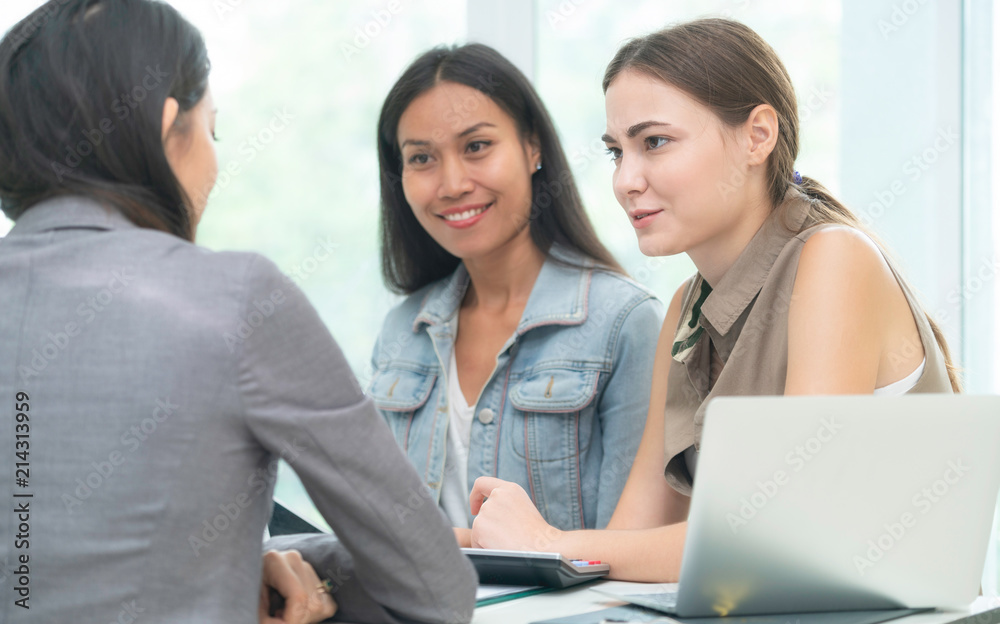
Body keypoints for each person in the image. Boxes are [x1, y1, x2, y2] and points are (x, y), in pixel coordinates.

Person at [0, 2, 475, 623]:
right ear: (167, 125)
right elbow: (434, 587)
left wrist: (231, 557)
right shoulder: (237, 299)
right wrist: (273, 566)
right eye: (212, 131)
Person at [464, 18, 959, 581]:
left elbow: (793, 531)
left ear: (757, 136)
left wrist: (549, 542)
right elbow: (633, 538)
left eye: (654, 142)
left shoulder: (834, 259)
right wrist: (485, 543)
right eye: (615, 152)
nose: (626, 179)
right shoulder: (684, 309)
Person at [370, 43, 664, 538]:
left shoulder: (625, 323)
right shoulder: (403, 331)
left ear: (533, 149)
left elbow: (630, 549)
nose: (452, 183)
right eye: (422, 158)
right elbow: (378, 529)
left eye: (476, 146)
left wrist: (449, 544)